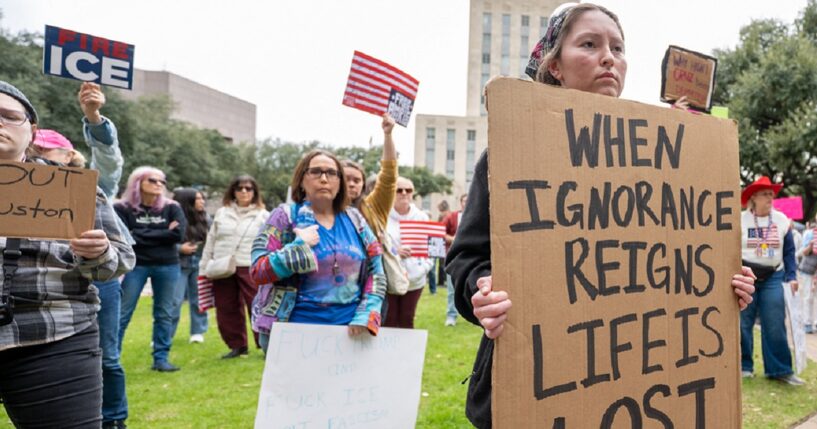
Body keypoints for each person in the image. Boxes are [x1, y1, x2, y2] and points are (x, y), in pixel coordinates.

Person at [445, 4, 758, 427]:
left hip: (637, 383)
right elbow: (466, 259)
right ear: (554, 65)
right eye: (589, 45)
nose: (609, 57)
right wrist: (481, 292)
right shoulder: (508, 152)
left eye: (618, 47)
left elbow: (674, 261)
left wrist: (724, 284)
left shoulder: (663, 162)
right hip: (538, 385)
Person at [0, 80, 135, 427]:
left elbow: (119, 261)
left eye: (7, 115)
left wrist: (98, 252)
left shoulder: (70, 186)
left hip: (54, 336)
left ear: (31, 131)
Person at [250, 150, 386, 352]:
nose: (324, 179)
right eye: (316, 172)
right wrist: (297, 248)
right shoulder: (284, 217)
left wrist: (367, 313)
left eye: (331, 173)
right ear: (302, 179)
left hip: (350, 330)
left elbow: (377, 272)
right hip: (293, 331)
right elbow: (258, 271)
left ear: (339, 182)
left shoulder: (355, 219)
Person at [116, 167, 187, 372]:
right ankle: (111, 358)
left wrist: (139, 233)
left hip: (168, 265)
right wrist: (163, 232)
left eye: (162, 182)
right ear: (138, 182)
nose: (159, 185)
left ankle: (161, 359)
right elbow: (125, 238)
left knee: (165, 313)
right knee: (123, 313)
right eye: (153, 180)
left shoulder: (172, 207)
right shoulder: (123, 208)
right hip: (135, 265)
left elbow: (178, 236)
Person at [739, 176, 803, 384]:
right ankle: (744, 366)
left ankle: (780, 370)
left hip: (773, 275)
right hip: (747, 274)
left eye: (771, 194)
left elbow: (789, 251)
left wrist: (792, 276)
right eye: (765, 194)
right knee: (743, 321)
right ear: (753, 197)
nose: (770, 197)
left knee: (774, 321)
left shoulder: (782, 220)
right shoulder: (740, 220)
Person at [200, 175, 268, 358]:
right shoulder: (222, 212)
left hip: (250, 264)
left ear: (255, 192)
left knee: (257, 305)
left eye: (248, 188)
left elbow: (269, 242)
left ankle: (264, 344)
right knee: (226, 307)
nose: (244, 192)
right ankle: (237, 345)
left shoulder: (263, 215)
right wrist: (204, 265)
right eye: (239, 188)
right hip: (223, 265)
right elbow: (211, 240)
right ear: (233, 191)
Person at [343, 114, 398, 310]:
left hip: (370, 287)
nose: (351, 183)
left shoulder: (373, 207)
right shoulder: (321, 211)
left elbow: (389, 176)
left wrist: (388, 135)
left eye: (356, 180)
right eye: (346, 178)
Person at [383, 177, 434, 329]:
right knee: (389, 318)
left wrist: (423, 269)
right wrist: (395, 251)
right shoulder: (383, 216)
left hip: (414, 278)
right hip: (390, 277)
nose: (404, 193)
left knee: (407, 318)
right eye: (399, 190)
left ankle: (407, 353)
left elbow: (432, 247)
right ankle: (388, 352)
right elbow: (377, 245)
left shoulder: (422, 217)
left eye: (408, 190)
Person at [173, 188, 210, 344]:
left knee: (199, 299)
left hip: (200, 263)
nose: (202, 201)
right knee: (174, 300)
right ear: (188, 202)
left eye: (202, 198)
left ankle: (198, 332)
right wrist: (180, 248)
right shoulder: (174, 219)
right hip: (178, 264)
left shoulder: (206, 219)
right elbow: (163, 240)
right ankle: (166, 334)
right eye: (198, 199)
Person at [443, 193, 467, 326]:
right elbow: (441, 232)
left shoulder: (476, 217)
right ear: (460, 202)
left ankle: (475, 316)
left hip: (470, 257)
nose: (466, 203)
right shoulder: (452, 217)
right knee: (452, 288)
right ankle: (451, 315)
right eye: (464, 201)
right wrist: (454, 240)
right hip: (453, 257)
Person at [799, 218, 817, 333]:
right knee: (808, 297)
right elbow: (803, 252)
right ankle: (807, 323)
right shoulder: (810, 234)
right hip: (808, 269)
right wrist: (811, 246)